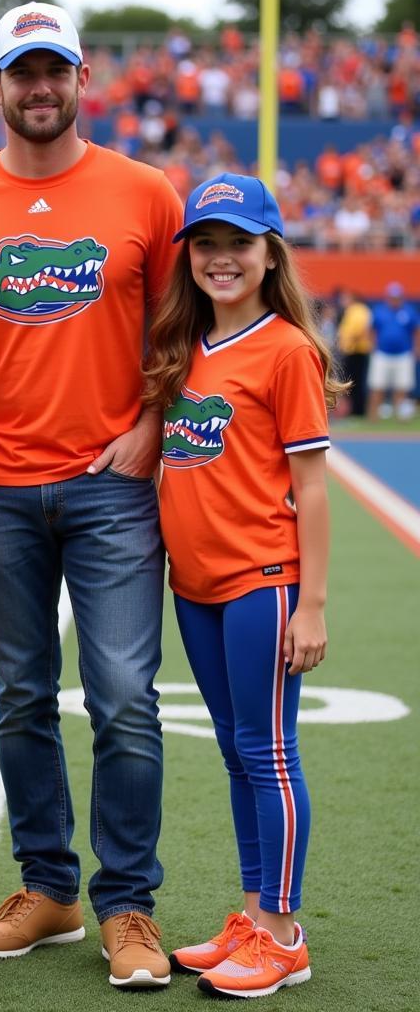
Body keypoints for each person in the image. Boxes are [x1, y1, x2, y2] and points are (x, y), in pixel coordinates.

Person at [0, 2, 182, 988]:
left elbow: (176, 328)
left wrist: (148, 430)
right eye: (21, 72)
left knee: (122, 697)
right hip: (0, 489)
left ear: (78, 79)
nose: (39, 88)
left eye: (53, 71)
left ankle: (129, 903)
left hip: (111, 485)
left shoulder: (145, 191)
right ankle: (50, 886)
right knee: (21, 695)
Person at [143, 173, 346, 998]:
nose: (221, 259)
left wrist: (313, 603)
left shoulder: (288, 349)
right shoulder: (186, 346)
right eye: (207, 243)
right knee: (236, 751)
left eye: (239, 243)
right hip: (195, 585)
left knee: (268, 751)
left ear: (270, 254)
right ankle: (254, 916)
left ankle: (285, 934)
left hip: (261, 580)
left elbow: (314, 486)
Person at [366, 281, 420, 421]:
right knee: (377, 386)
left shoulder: (408, 311)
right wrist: (372, 346)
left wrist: (417, 348)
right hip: (382, 353)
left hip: (403, 354)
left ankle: (400, 418)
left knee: (401, 388)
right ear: (388, 297)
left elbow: (416, 331)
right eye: (392, 297)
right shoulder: (379, 311)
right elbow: (371, 330)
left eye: (397, 297)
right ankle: (373, 417)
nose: (395, 300)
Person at [335, 288, 372, 418]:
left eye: (345, 298)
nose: (342, 301)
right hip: (351, 351)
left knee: (355, 382)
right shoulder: (351, 311)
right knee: (351, 382)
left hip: (357, 351)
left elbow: (361, 330)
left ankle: (358, 411)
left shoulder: (359, 310)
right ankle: (353, 410)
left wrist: (350, 344)